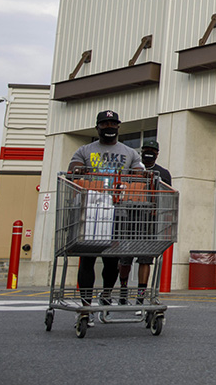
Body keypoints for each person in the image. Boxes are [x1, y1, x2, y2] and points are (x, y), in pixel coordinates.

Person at [67, 110, 143, 312]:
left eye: (113, 123)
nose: (109, 127)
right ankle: (86, 305)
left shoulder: (130, 153)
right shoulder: (84, 150)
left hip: (117, 212)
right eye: (104, 124)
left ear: (118, 127)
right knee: (88, 258)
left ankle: (107, 293)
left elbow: (140, 172)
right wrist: (78, 170)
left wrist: (138, 173)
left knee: (111, 260)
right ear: (97, 127)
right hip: (91, 211)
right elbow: (73, 169)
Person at [117, 139, 172, 306]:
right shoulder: (132, 170)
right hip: (130, 219)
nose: (149, 153)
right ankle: (123, 290)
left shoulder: (163, 173)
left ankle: (141, 295)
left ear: (157, 153)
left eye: (152, 150)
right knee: (125, 259)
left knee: (145, 260)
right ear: (141, 152)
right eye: (146, 150)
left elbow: (167, 196)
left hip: (150, 223)